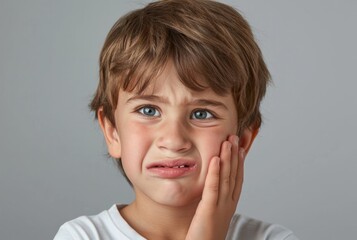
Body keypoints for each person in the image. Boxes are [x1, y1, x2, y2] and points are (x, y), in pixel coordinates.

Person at [54, 0, 298, 239]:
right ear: (112, 132)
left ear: (243, 140)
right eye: (148, 110)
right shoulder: (80, 236)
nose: (173, 140)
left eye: (201, 114)